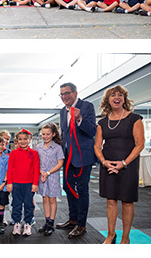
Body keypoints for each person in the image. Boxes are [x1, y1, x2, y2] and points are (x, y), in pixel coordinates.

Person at [94, 85, 145, 244]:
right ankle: (110, 235)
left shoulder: (134, 118)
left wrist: (124, 163)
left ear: (124, 99)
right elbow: (97, 146)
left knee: (127, 201)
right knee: (110, 200)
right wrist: (104, 162)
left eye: (120, 95)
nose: (117, 97)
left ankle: (125, 237)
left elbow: (140, 144)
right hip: (108, 166)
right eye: (113, 95)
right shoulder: (102, 122)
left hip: (127, 166)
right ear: (107, 100)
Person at [56, 82, 97, 239]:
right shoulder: (62, 111)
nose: (64, 97)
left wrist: (79, 118)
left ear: (75, 92)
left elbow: (92, 130)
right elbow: (65, 134)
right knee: (67, 187)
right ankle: (73, 219)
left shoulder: (86, 106)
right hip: (67, 157)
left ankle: (81, 224)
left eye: (67, 93)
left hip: (83, 157)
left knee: (82, 190)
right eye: (62, 94)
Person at [6, 129, 40, 237]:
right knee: (16, 204)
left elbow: (36, 169)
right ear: (17, 140)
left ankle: (27, 224)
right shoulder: (13, 153)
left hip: (29, 184)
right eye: (20, 139)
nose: (23, 141)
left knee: (29, 204)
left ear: (29, 139)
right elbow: (10, 169)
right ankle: (17, 223)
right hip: (16, 183)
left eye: (25, 139)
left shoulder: (34, 153)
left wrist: (35, 183)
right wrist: (9, 183)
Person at [35, 123, 64, 236]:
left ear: (53, 134)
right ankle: (46, 222)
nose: (45, 136)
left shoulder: (57, 147)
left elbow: (60, 163)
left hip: (52, 176)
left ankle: (51, 223)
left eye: (48, 134)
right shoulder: (38, 147)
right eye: (43, 134)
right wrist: (41, 172)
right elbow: (36, 162)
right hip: (41, 176)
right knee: (44, 198)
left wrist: (48, 172)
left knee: (52, 199)